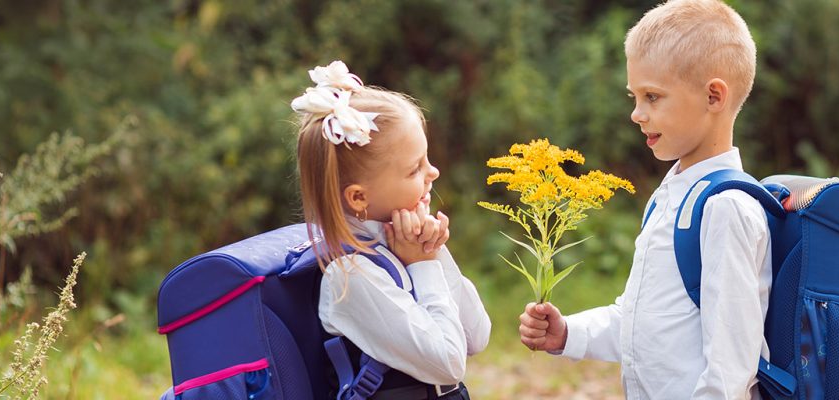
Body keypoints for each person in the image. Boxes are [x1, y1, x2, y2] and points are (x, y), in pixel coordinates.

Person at [518, 1, 771, 398]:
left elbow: (730, 365)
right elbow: (642, 322)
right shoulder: (669, 196)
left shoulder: (726, 208)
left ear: (714, 97)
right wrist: (568, 333)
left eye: (652, 97)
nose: (636, 114)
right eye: (634, 97)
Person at [293, 60, 490, 399]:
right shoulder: (350, 276)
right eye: (415, 169)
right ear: (358, 197)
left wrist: (434, 251)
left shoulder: (399, 246)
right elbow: (450, 362)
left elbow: (477, 335)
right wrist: (423, 265)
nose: (434, 173)